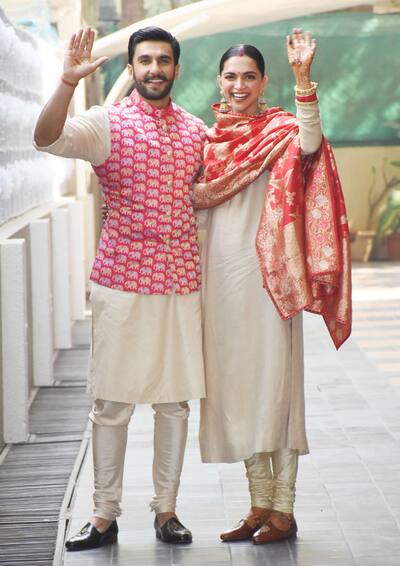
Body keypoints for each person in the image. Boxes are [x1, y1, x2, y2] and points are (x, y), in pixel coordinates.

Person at [34, 26, 206, 550]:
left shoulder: (199, 131)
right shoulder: (106, 124)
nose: (155, 69)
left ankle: (166, 512)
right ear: (131, 69)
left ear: (177, 68)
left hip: (180, 281)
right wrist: (67, 80)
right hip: (121, 282)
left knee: (174, 404)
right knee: (112, 405)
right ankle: (104, 516)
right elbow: (44, 138)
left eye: (164, 60)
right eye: (145, 60)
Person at [193, 29, 351, 544]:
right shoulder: (209, 140)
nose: (239, 85)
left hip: (270, 278)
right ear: (219, 80)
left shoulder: (281, 128)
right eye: (231, 76)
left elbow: (310, 143)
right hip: (220, 278)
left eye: (249, 77)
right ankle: (259, 501)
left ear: (263, 82)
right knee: (234, 386)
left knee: (275, 387)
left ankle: (284, 507)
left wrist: (305, 81)